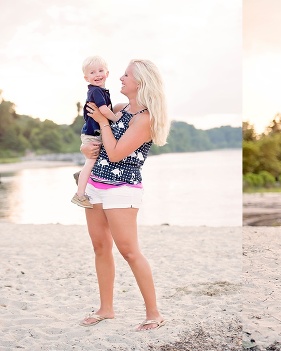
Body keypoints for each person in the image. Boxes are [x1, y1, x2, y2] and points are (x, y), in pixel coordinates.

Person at [78, 59, 171, 331]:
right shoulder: (118, 109)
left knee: (129, 251)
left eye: (126, 75)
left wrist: (103, 123)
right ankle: (106, 309)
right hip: (95, 185)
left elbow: (117, 153)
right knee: (100, 247)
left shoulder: (145, 119)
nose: (120, 78)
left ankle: (154, 313)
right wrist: (85, 149)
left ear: (140, 82)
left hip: (122, 189)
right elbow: (96, 141)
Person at [72, 56, 120, 208]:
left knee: (95, 160)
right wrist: (116, 118)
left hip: (95, 132)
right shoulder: (96, 91)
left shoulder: (101, 91)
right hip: (92, 133)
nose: (97, 74)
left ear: (107, 73)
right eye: (92, 72)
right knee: (91, 160)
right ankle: (80, 195)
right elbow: (104, 110)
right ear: (86, 78)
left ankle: (82, 175)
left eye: (100, 70)